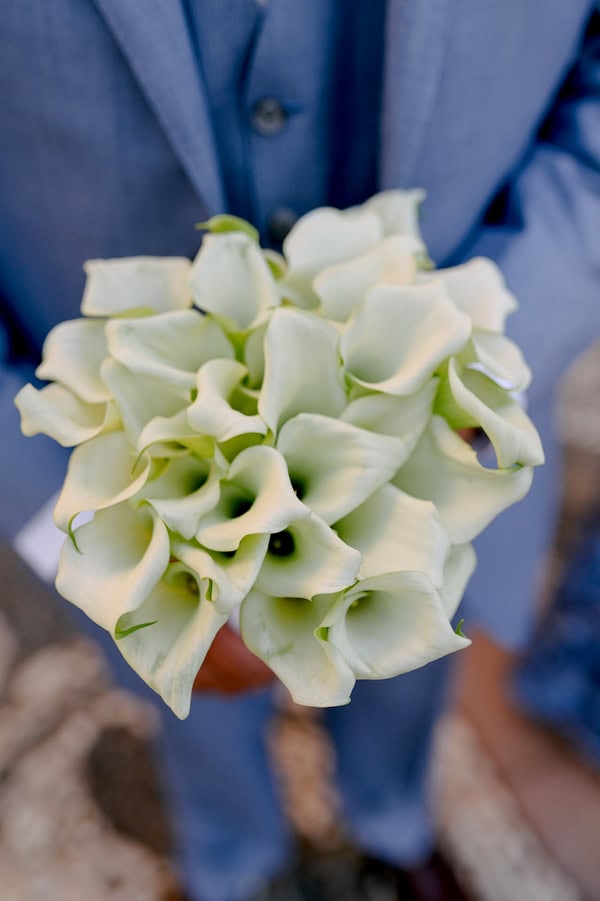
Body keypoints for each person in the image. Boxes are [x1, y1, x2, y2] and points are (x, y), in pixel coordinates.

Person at [1, 3, 599, 899]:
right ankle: (232, 862)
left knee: (409, 671)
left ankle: (390, 825)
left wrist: (468, 381)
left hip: (448, 441)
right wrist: (67, 525)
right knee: (191, 703)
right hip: (119, 468)